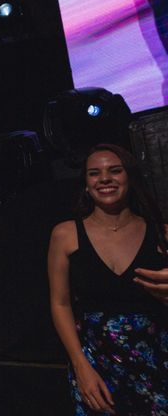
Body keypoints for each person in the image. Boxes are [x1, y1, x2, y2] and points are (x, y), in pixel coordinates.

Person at [48, 143, 168, 415]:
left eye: (115, 170)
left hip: (156, 362)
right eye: (94, 173)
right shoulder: (66, 234)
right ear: (85, 184)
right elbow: (60, 303)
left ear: (130, 177)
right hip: (95, 364)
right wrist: (80, 366)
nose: (104, 179)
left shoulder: (161, 234)